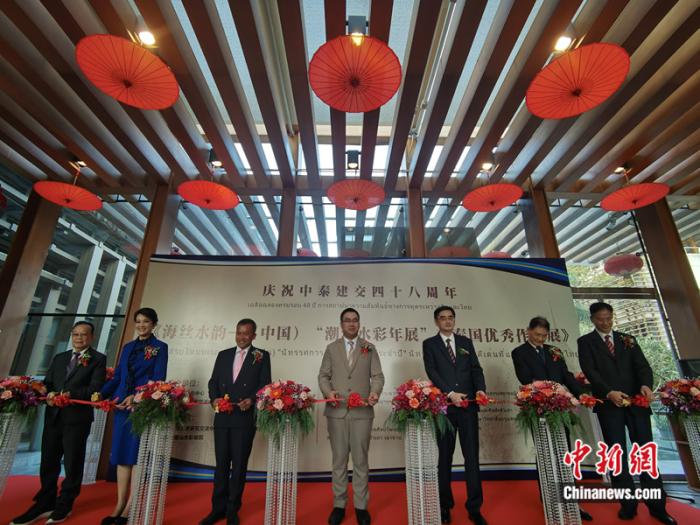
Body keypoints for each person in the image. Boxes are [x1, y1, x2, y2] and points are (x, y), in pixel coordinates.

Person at [578, 302, 676, 525]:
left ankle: (657, 507)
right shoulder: (586, 342)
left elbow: (642, 366)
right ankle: (628, 504)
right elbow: (590, 371)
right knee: (617, 455)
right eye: (601, 319)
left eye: (609, 318)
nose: (606, 322)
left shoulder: (627, 339)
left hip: (637, 403)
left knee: (645, 454)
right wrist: (608, 392)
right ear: (592, 319)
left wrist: (646, 385)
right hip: (609, 405)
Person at [11, 321, 106, 525]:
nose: (79, 338)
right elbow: (48, 383)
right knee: (48, 461)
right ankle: (46, 501)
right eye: (75, 334)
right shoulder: (60, 357)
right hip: (53, 416)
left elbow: (95, 389)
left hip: (77, 419)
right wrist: (43, 390)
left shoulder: (98, 359)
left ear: (91, 337)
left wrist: (69, 394)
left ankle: (65, 503)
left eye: (83, 334)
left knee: (72, 462)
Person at [511, 316, 592, 521]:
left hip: (560, 407)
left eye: (544, 336)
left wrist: (580, 393)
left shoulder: (554, 350)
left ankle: (572, 501)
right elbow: (525, 379)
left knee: (565, 453)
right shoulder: (519, 352)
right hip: (538, 408)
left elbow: (566, 375)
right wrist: (550, 390)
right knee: (545, 453)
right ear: (528, 331)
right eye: (537, 335)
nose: (540, 339)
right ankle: (549, 500)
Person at [99, 307, 168, 524]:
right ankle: (119, 503)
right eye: (138, 321)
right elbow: (118, 377)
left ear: (154, 324)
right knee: (122, 456)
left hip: (141, 408)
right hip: (121, 407)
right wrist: (101, 394)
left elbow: (158, 379)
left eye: (145, 321)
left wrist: (137, 397)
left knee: (136, 455)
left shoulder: (160, 347)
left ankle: (131, 505)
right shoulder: (128, 347)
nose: (141, 325)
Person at [200, 319, 271, 525]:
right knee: (221, 465)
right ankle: (217, 509)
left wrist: (252, 399)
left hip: (244, 418)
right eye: (239, 333)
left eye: (246, 333)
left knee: (239, 466)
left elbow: (265, 384)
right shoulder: (223, 355)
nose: (242, 337)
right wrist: (214, 398)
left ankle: (232, 509)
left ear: (253, 335)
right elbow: (213, 381)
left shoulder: (261, 356)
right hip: (222, 417)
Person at [318, 308, 384, 525]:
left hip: (362, 413)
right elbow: (323, 376)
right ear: (341, 324)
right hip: (336, 412)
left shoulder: (369, 347)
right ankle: (339, 505)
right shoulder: (332, 348)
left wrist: (375, 392)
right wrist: (328, 393)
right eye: (347, 320)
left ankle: (361, 507)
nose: (351, 323)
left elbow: (377, 376)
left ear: (359, 324)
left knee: (360, 460)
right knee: (338, 460)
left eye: (355, 320)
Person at [422, 306, 487, 525]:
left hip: (468, 407)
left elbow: (476, 369)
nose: (447, 321)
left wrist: (480, 390)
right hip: (446, 409)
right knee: (445, 458)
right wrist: (450, 393)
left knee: (472, 458)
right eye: (443, 318)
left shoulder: (465, 342)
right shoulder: (429, 344)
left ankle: (474, 508)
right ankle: (444, 506)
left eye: (451, 317)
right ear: (436, 321)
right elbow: (432, 372)